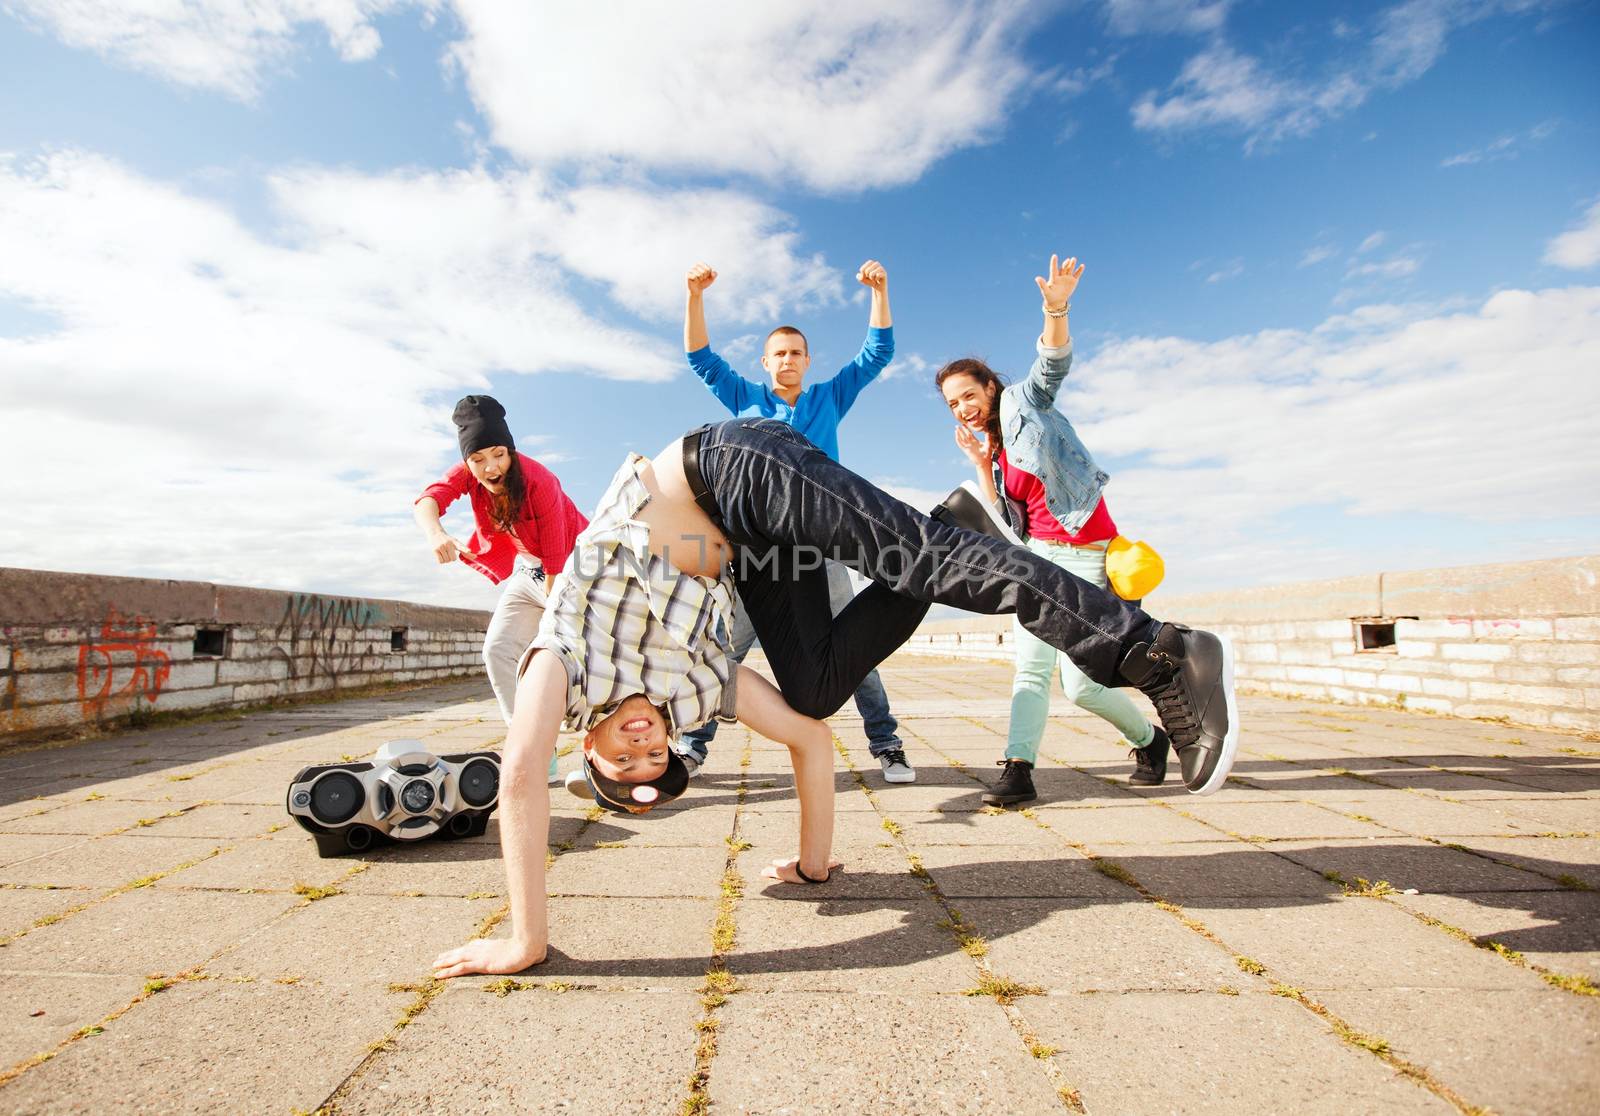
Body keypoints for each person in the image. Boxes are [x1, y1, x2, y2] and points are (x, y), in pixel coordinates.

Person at [431, 410, 1238, 979]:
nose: (644, 742)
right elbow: (809, 741)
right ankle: (962, 523)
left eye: (625, 757)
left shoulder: (564, 668)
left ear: (591, 748)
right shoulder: (691, 693)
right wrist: (814, 865)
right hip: (751, 547)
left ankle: (1157, 653)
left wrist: (527, 938)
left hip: (730, 469)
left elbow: (519, 774)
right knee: (813, 689)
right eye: (656, 757)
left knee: (927, 561)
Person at [937, 256, 1171, 807]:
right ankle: (1018, 769)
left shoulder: (1024, 402)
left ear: (991, 387)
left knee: (1083, 683)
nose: (963, 408)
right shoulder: (993, 450)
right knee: (1032, 669)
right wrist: (978, 462)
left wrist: (1055, 308)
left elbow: (1051, 363)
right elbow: (1005, 517)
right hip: (1040, 556)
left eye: (969, 394)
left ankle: (1150, 740)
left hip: (1086, 550)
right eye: (952, 404)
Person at [678, 257, 914, 784]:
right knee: (726, 646)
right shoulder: (748, 399)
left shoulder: (828, 398)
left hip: (819, 542)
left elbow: (878, 353)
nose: (788, 359)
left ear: (808, 360)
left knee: (849, 647)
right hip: (755, 549)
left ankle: (887, 743)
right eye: (779, 353)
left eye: (796, 353)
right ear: (766, 362)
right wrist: (695, 296)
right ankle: (693, 745)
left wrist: (880, 289)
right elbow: (700, 357)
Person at [413, 395, 588, 785]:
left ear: (509, 449)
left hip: (576, 568)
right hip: (529, 571)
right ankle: (533, 749)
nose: (491, 467)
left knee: (576, 656)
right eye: (479, 460)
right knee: (498, 650)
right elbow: (427, 500)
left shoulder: (539, 480)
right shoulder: (467, 473)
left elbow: (558, 559)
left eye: (498, 455)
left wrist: (551, 628)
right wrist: (435, 533)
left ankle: (607, 749)